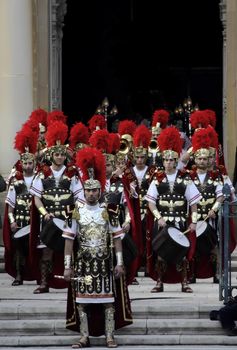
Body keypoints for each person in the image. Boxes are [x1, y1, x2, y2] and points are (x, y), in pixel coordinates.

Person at [63, 147, 132, 348]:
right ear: (83, 191)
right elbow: (68, 240)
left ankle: (109, 336)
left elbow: (117, 238)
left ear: (100, 191)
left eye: (94, 190)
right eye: (88, 190)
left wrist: (120, 263)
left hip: (104, 262)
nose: (91, 193)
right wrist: (67, 266)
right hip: (84, 262)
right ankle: (84, 337)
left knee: (108, 302)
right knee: (82, 302)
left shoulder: (108, 211)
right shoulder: (75, 211)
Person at [145, 126, 202, 293]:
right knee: (161, 253)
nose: (169, 163)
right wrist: (158, 217)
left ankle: (184, 281)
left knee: (182, 252)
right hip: (163, 222)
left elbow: (193, 203)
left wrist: (195, 221)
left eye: (172, 160)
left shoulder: (185, 178)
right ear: (163, 161)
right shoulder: (157, 179)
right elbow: (151, 202)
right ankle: (159, 282)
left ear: (177, 161)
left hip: (180, 221)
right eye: (166, 160)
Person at [30, 120, 84, 294]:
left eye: (62, 155)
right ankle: (45, 282)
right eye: (57, 155)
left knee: (72, 250)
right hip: (49, 219)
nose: (60, 157)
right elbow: (37, 199)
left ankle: (73, 282)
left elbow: (79, 198)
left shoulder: (72, 174)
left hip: (68, 219)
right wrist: (44, 213)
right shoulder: (41, 174)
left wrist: (73, 214)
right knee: (47, 251)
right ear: (51, 155)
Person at [3, 124, 38, 285]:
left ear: (34, 164)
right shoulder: (15, 183)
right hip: (20, 220)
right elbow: (10, 206)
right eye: (26, 164)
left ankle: (39, 275)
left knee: (37, 249)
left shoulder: (40, 180)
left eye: (31, 163)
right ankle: (19, 274)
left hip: (35, 221)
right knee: (19, 250)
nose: (28, 166)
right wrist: (12, 221)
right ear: (21, 164)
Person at [189, 128, 224, 283]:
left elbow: (221, 196)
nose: (202, 161)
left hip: (210, 217)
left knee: (213, 245)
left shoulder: (216, 176)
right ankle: (192, 274)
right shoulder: (188, 176)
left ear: (209, 159)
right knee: (193, 246)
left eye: (205, 159)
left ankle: (216, 273)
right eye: (199, 159)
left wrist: (214, 209)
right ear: (195, 160)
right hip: (195, 218)